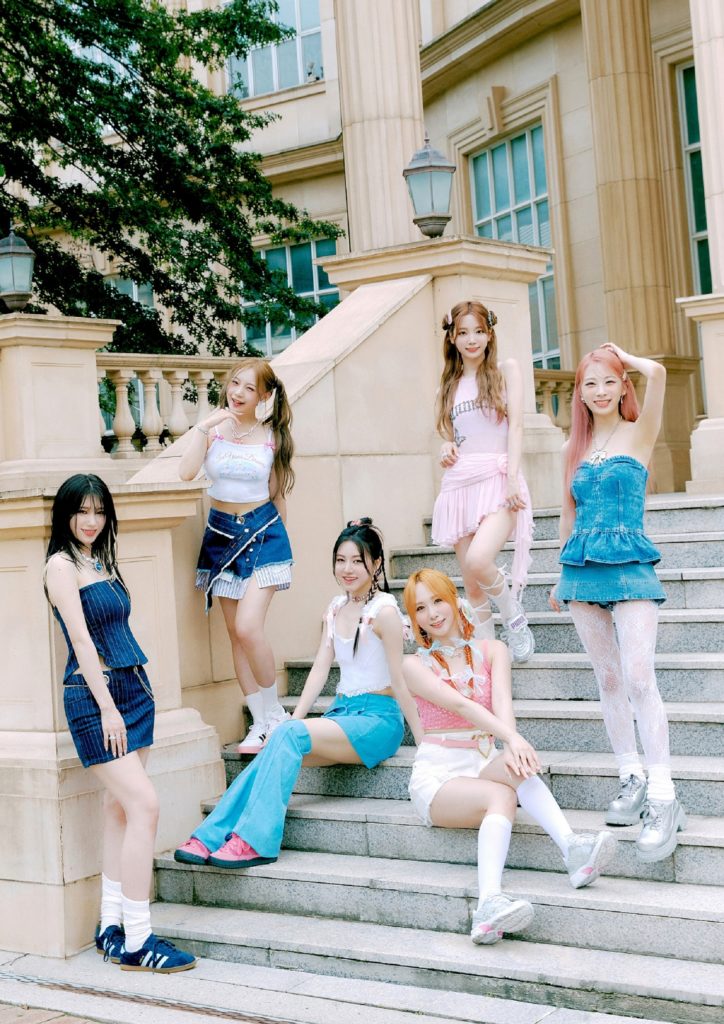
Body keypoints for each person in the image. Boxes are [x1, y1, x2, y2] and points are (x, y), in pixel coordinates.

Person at [174, 518, 422, 869]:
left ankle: (255, 841)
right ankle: (210, 836)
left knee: (286, 736)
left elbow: (400, 680)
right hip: (343, 714)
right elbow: (320, 669)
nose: (347, 569)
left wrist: (424, 744)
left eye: (357, 560)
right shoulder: (336, 608)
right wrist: (294, 719)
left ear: (377, 563)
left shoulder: (384, 612)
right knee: (280, 741)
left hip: (378, 721)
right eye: (341, 560)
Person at [402, 568, 616, 945]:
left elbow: (502, 704)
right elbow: (460, 705)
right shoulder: (414, 666)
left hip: (482, 759)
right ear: (414, 618)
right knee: (501, 795)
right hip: (439, 774)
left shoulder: (494, 650)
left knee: (516, 767)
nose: (432, 613)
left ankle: (573, 850)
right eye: (420, 608)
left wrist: (512, 746)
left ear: (453, 599)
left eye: (437, 601)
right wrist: (511, 738)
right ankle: (488, 904)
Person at [45, 474, 196, 974]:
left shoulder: (99, 560)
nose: (91, 521)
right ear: (66, 514)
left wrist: (126, 699)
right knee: (144, 805)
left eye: (99, 511)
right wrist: (107, 706)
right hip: (96, 698)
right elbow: (82, 641)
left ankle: (109, 926)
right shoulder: (60, 566)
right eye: (81, 511)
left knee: (119, 808)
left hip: (135, 690)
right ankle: (138, 938)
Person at [549, 343, 685, 862]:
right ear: (580, 393)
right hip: (581, 569)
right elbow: (567, 514)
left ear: (623, 384)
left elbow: (660, 373)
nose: (601, 391)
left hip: (631, 563)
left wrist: (624, 357)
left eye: (609, 381)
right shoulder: (573, 447)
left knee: (639, 677)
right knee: (607, 680)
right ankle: (630, 775)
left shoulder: (639, 431)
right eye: (591, 383)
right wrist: (559, 575)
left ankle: (664, 796)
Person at [179, 358, 294, 753]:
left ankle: (276, 713)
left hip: (264, 533)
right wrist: (204, 427)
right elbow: (185, 472)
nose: (238, 393)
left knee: (248, 627)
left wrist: (283, 548)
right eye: (234, 383)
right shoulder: (213, 432)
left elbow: (277, 494)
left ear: (264, 395)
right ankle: (259, 722)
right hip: (220, 536)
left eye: (249, 387)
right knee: (235, 634)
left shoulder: (273, 437)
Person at [431, 300, 534, 662]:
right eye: (463, 333)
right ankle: (488, 654)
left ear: (490, 334)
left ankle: (514, 617)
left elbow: (516, 427)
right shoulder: (448, 386)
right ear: (452, 338)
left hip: (499, 478)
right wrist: (446, 448)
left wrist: (512, 479)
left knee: (478, 559)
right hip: (461, 483)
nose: (471, 339)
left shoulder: (507, 370)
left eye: (478, 331)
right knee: (472, 586)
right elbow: (455, 437)